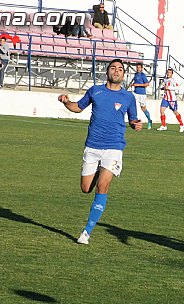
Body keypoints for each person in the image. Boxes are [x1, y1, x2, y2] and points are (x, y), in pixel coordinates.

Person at [58, 58, 142, 244]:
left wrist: (136, 124)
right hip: (93, 146)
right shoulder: (95, 91)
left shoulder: (129, 97)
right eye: (113, 68)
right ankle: (99, 171)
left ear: (123, 74)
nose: (117, 71)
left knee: (102, 186)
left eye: (120, 69)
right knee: (86, 188)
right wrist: (66, 102)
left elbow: (133, 119)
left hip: (114, 148)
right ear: (107, 72)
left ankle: (86, 233)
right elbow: (78, 108)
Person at [157, 67, 184, 132]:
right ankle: (163, 125)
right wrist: (162, 88)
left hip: (172, 99)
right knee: (161, 110)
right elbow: (164, 87)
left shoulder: (173, 80)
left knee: (175, 112)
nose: (168, 74)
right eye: (167, 72)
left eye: (170, 73)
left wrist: (169, 87)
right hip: (165, 98)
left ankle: (181, 124)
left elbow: (177, 87)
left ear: (172, 74)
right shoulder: (165, 80)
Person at [130, 63, 152, 128]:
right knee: (130, 102)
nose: (138, 69)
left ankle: (149, 120)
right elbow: (136, 82)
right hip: (135, 93)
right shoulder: (135, 74)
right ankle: (133, 120)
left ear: (142, 68)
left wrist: (138, 85)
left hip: (142, 94)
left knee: (143, 108)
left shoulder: (143, 75)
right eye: (137, 67)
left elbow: (147, 84)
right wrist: (133, 84)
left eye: (139, 67)